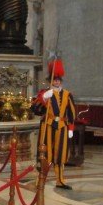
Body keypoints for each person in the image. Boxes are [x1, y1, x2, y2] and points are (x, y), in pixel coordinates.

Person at [32, 58, 76, 190]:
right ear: (50, 81)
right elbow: (35, 109)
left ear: (61, 81)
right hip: (48, 126)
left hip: (62, 127)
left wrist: (71, 128)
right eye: (54, 79)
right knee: (44, 153)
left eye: (58, 80)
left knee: (60, 154)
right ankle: (40, 179)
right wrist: (44, 98)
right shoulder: (44, 93)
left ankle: (60, 180)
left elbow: (72, 111)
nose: (56, 81)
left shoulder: (68, 94)